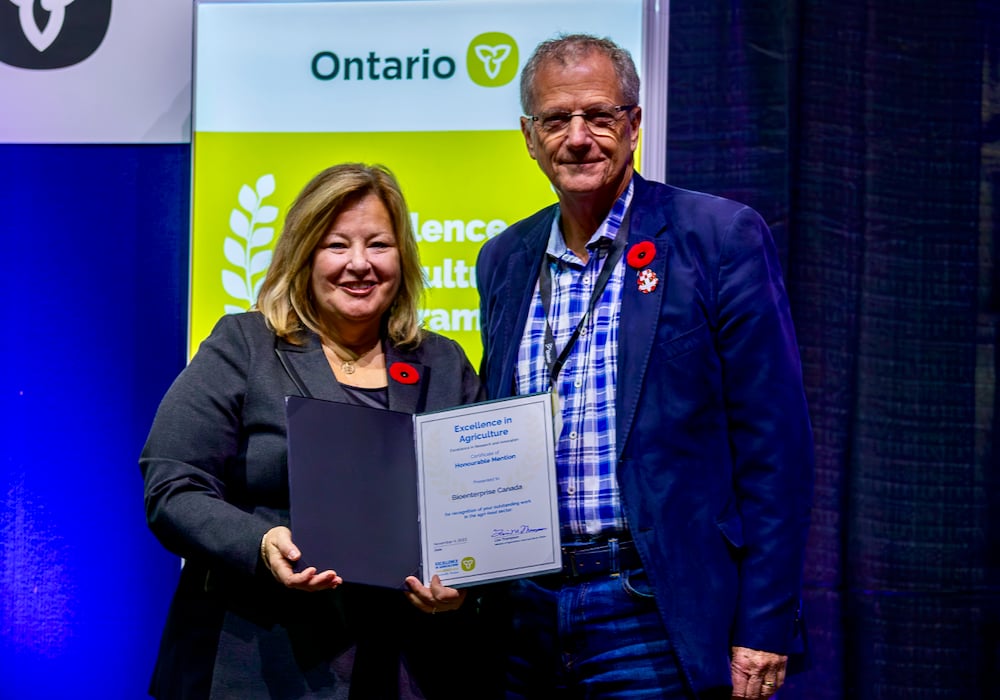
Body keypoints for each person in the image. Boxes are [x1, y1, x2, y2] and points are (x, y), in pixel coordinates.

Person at [475, 34, 814, 699]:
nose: (578, 137)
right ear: (528, 136)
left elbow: (778, 450)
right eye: (556, 120)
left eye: (599, 116)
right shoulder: (504, 260)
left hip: (652, 613)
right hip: (527, 618)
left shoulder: (716, 238)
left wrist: (766, 623)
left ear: (632, 126)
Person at [141, 163, 485, 699]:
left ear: (403, 258)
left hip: (406, 666)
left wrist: (468, 583)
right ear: (303, 254)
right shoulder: (245, 346)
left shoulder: (443, 363)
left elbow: (477, 506)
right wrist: (260, 542)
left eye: (378, 244)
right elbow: (171, 484)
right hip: (259, 661)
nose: (359, 264)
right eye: (336, 245)